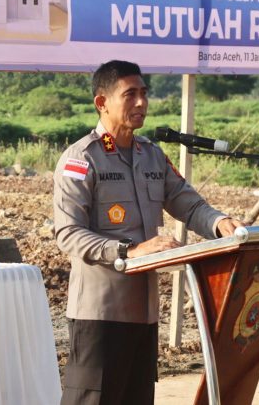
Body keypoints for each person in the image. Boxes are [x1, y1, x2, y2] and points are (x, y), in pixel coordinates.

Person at [53, 60, 245, 405]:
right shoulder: (81, 159)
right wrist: (129, 250)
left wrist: (220, 223)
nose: (141, 103)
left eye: (144, 93)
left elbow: (189, 205)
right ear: (102, 103)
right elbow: (69, 232)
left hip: (144, 313)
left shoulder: (152, 156)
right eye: (130, 95)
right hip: (100, 313)